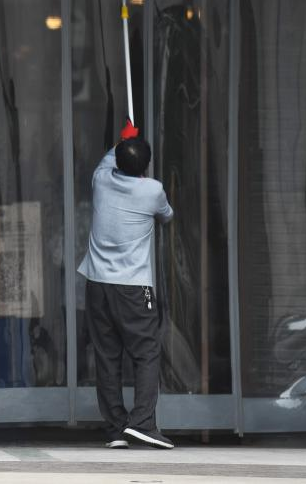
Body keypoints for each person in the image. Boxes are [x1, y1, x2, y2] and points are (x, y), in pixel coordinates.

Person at [78, 119, 175, 450]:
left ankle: (117, 428)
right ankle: (143, 423)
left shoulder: (101, 180)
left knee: (107, 356)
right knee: (147, 351)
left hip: (97, 284)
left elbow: (111, 158)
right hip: (134, 288)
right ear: (145, 165)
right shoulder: (153, 190)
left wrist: (124, 138)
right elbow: (167, 216)